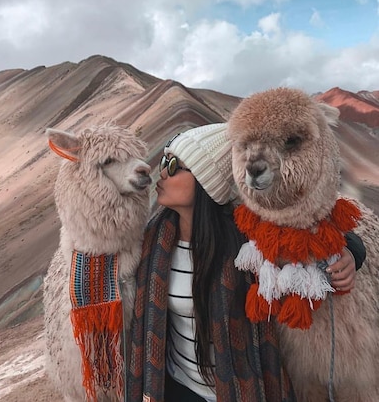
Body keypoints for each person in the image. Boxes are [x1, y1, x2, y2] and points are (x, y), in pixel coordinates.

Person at [127, 123, 365, 402]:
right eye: (164, 160)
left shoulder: (249, 242)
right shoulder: (151, 240)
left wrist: (350, 252)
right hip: (175, 386)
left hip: (242, 390)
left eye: (174, 165)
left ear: (206, 181)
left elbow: (311, 229)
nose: (162, 172)